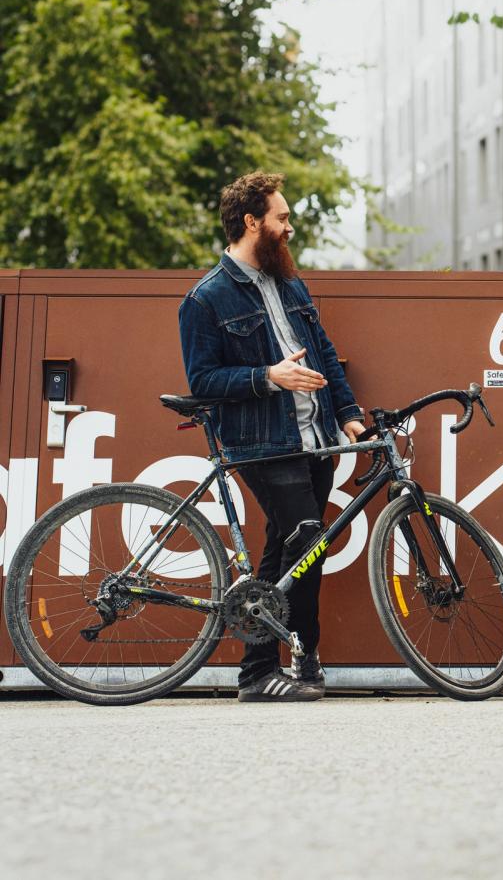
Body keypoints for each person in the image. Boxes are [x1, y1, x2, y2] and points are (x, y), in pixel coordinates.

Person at [178, 171, 366, 702]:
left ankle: (279, 666)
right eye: (281, 218)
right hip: (265, 443)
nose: (289, 227)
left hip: (316, 439)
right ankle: (278, 670)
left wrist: (347, 411)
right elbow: (204, 381)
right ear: (251, 222)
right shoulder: (206, 299)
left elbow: (325, 350)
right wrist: (269, 376)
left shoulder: (290, 283)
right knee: (308, 543)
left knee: (285, 550)